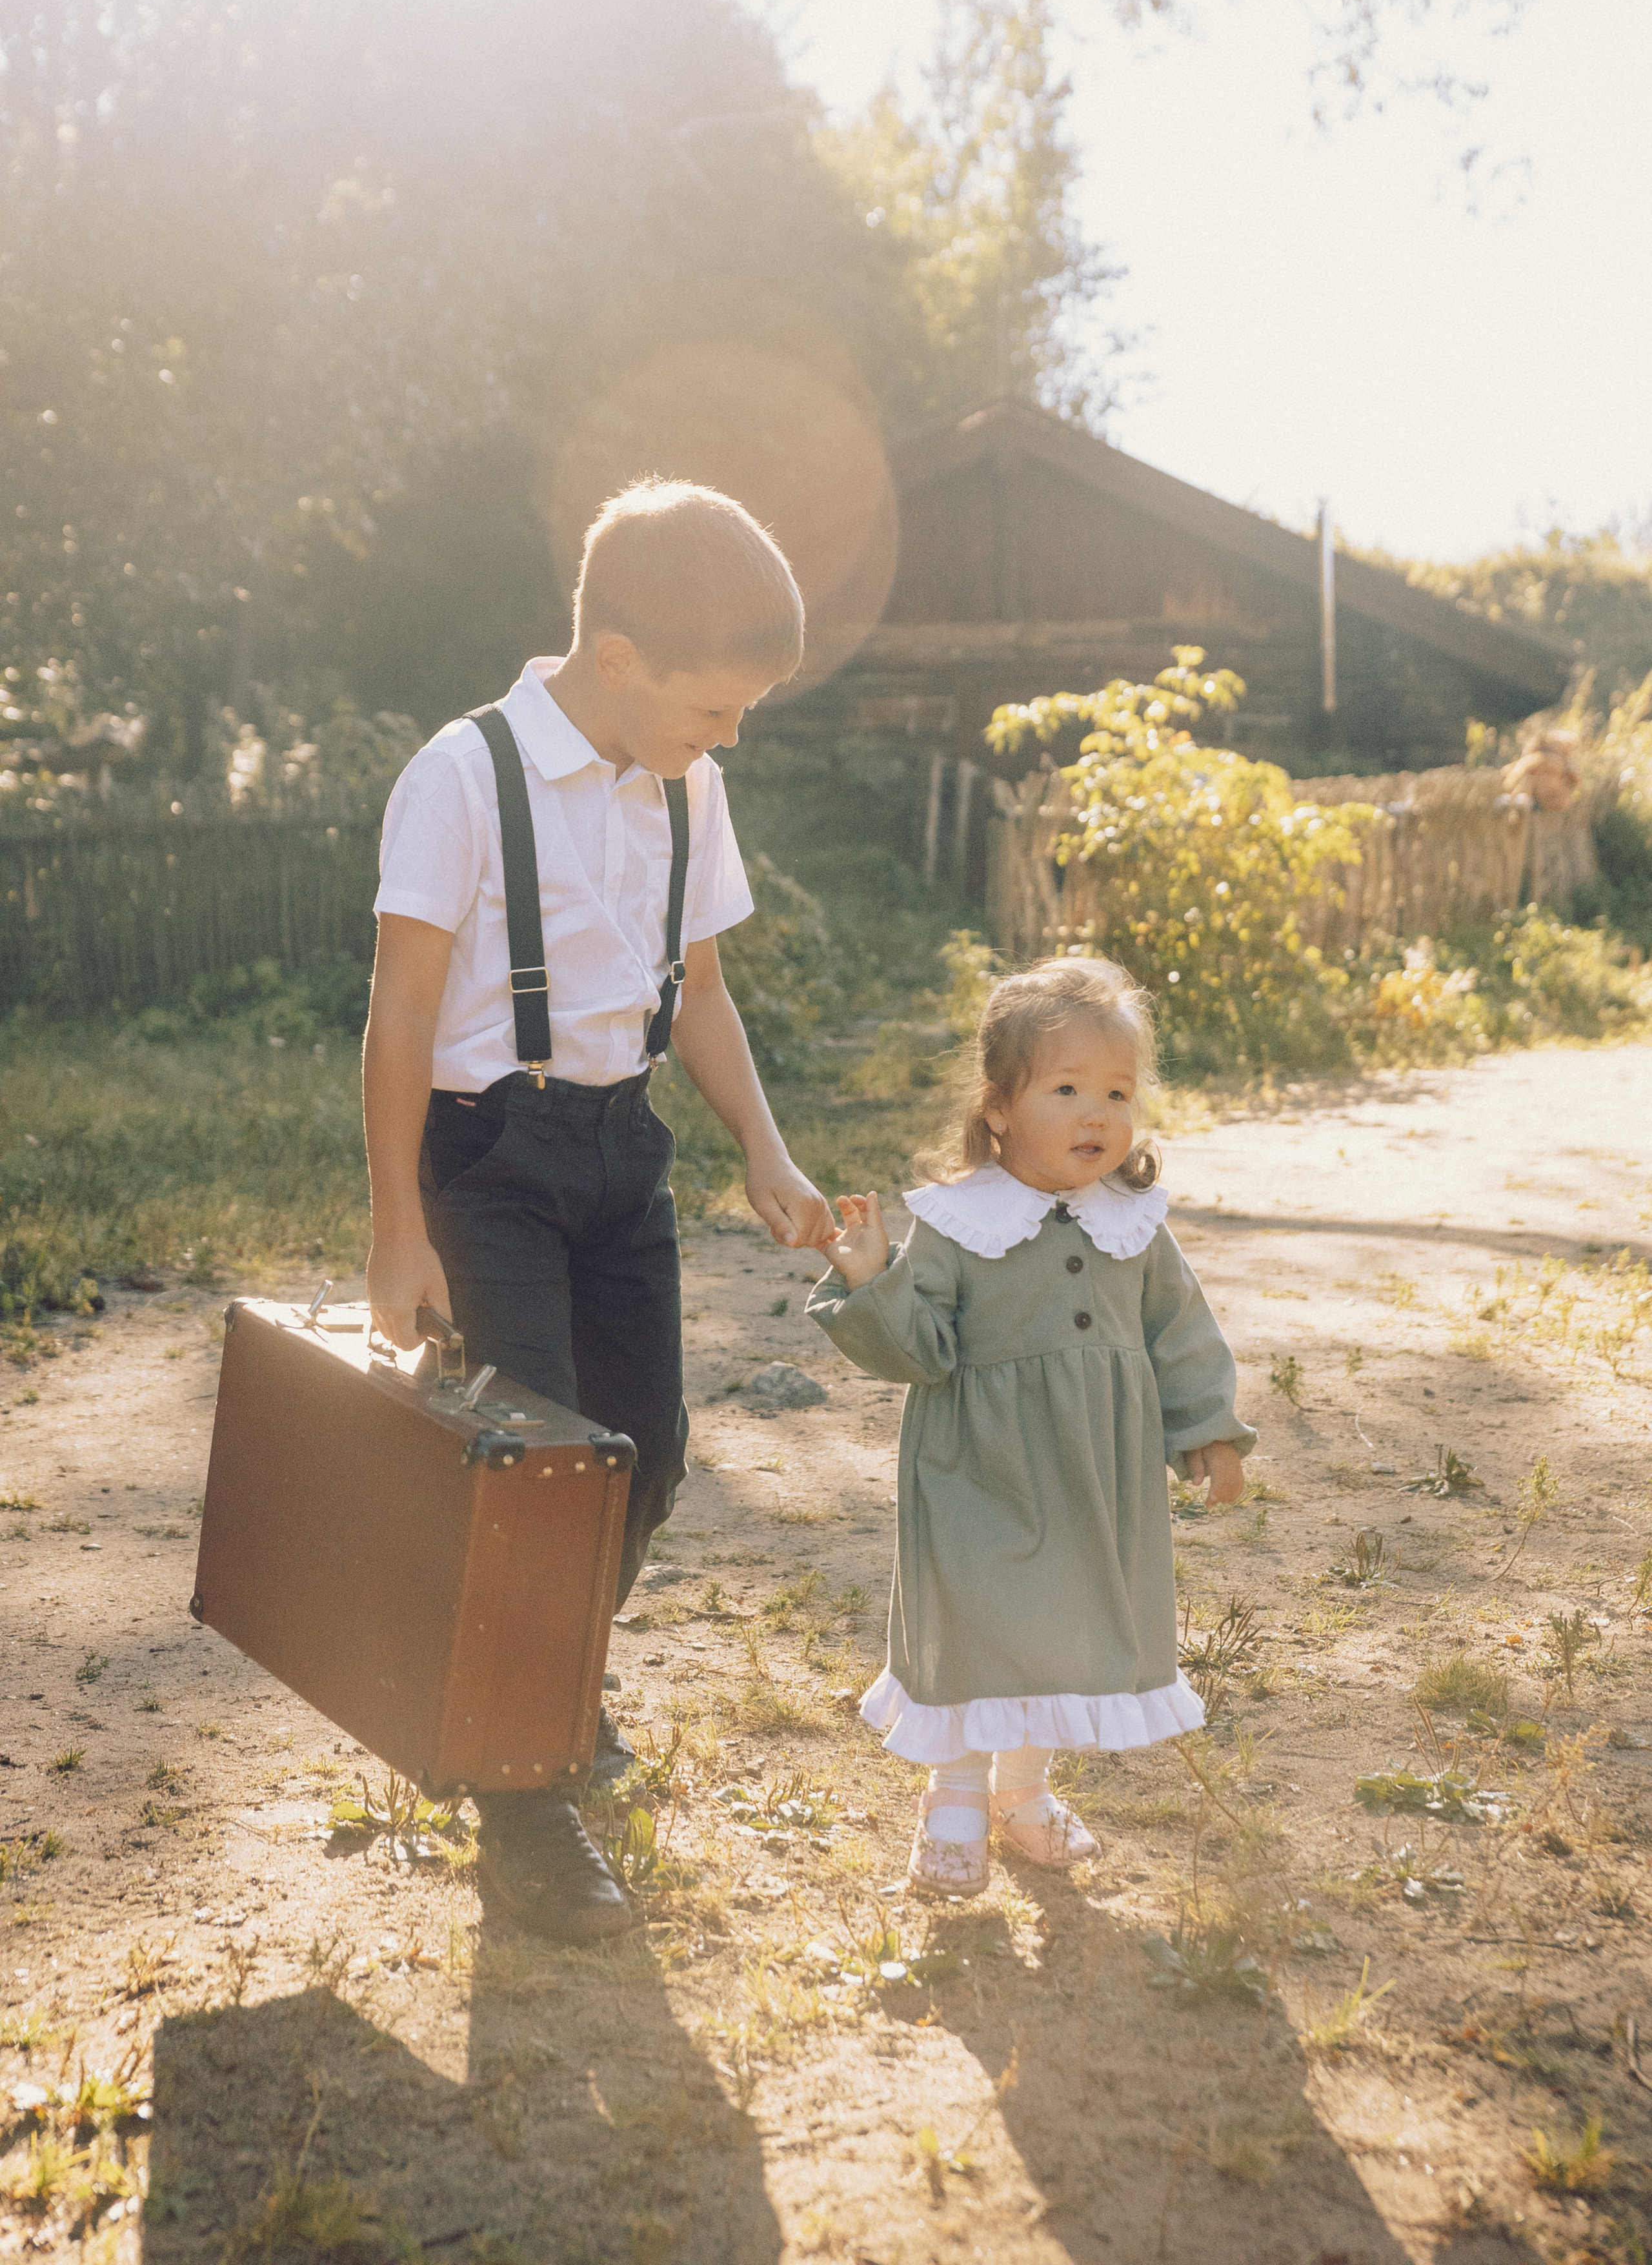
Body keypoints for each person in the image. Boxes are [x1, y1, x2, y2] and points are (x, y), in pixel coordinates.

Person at [363, 476, 837, 1941]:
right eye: (717, 706)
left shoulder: (686, 782)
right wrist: (398, 1228)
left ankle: (547, 1681)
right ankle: (524, 1806)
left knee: (646, 1459)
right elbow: (400, 1011)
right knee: (534, 1475)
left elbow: (699, 995)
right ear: (620, 658)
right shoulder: (462, 774)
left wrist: (763, 1147)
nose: (731, 735)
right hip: (488, 1162)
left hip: (619, 1152)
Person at [807, 955, 1254, 1896]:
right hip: (980, 1472)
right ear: (1000, 1107)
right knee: (980, 1628)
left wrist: (1207, 1430)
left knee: (1066, 1627)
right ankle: (956, 1798)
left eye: (1117, 1092)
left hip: (1097, 1472)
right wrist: (872, 1279)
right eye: (1066, 1088)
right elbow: (918, 1350)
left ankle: (1024, 1793)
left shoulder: (1134, 1222)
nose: (1098, 1114)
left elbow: (1179, 1333)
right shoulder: (961, 1221)